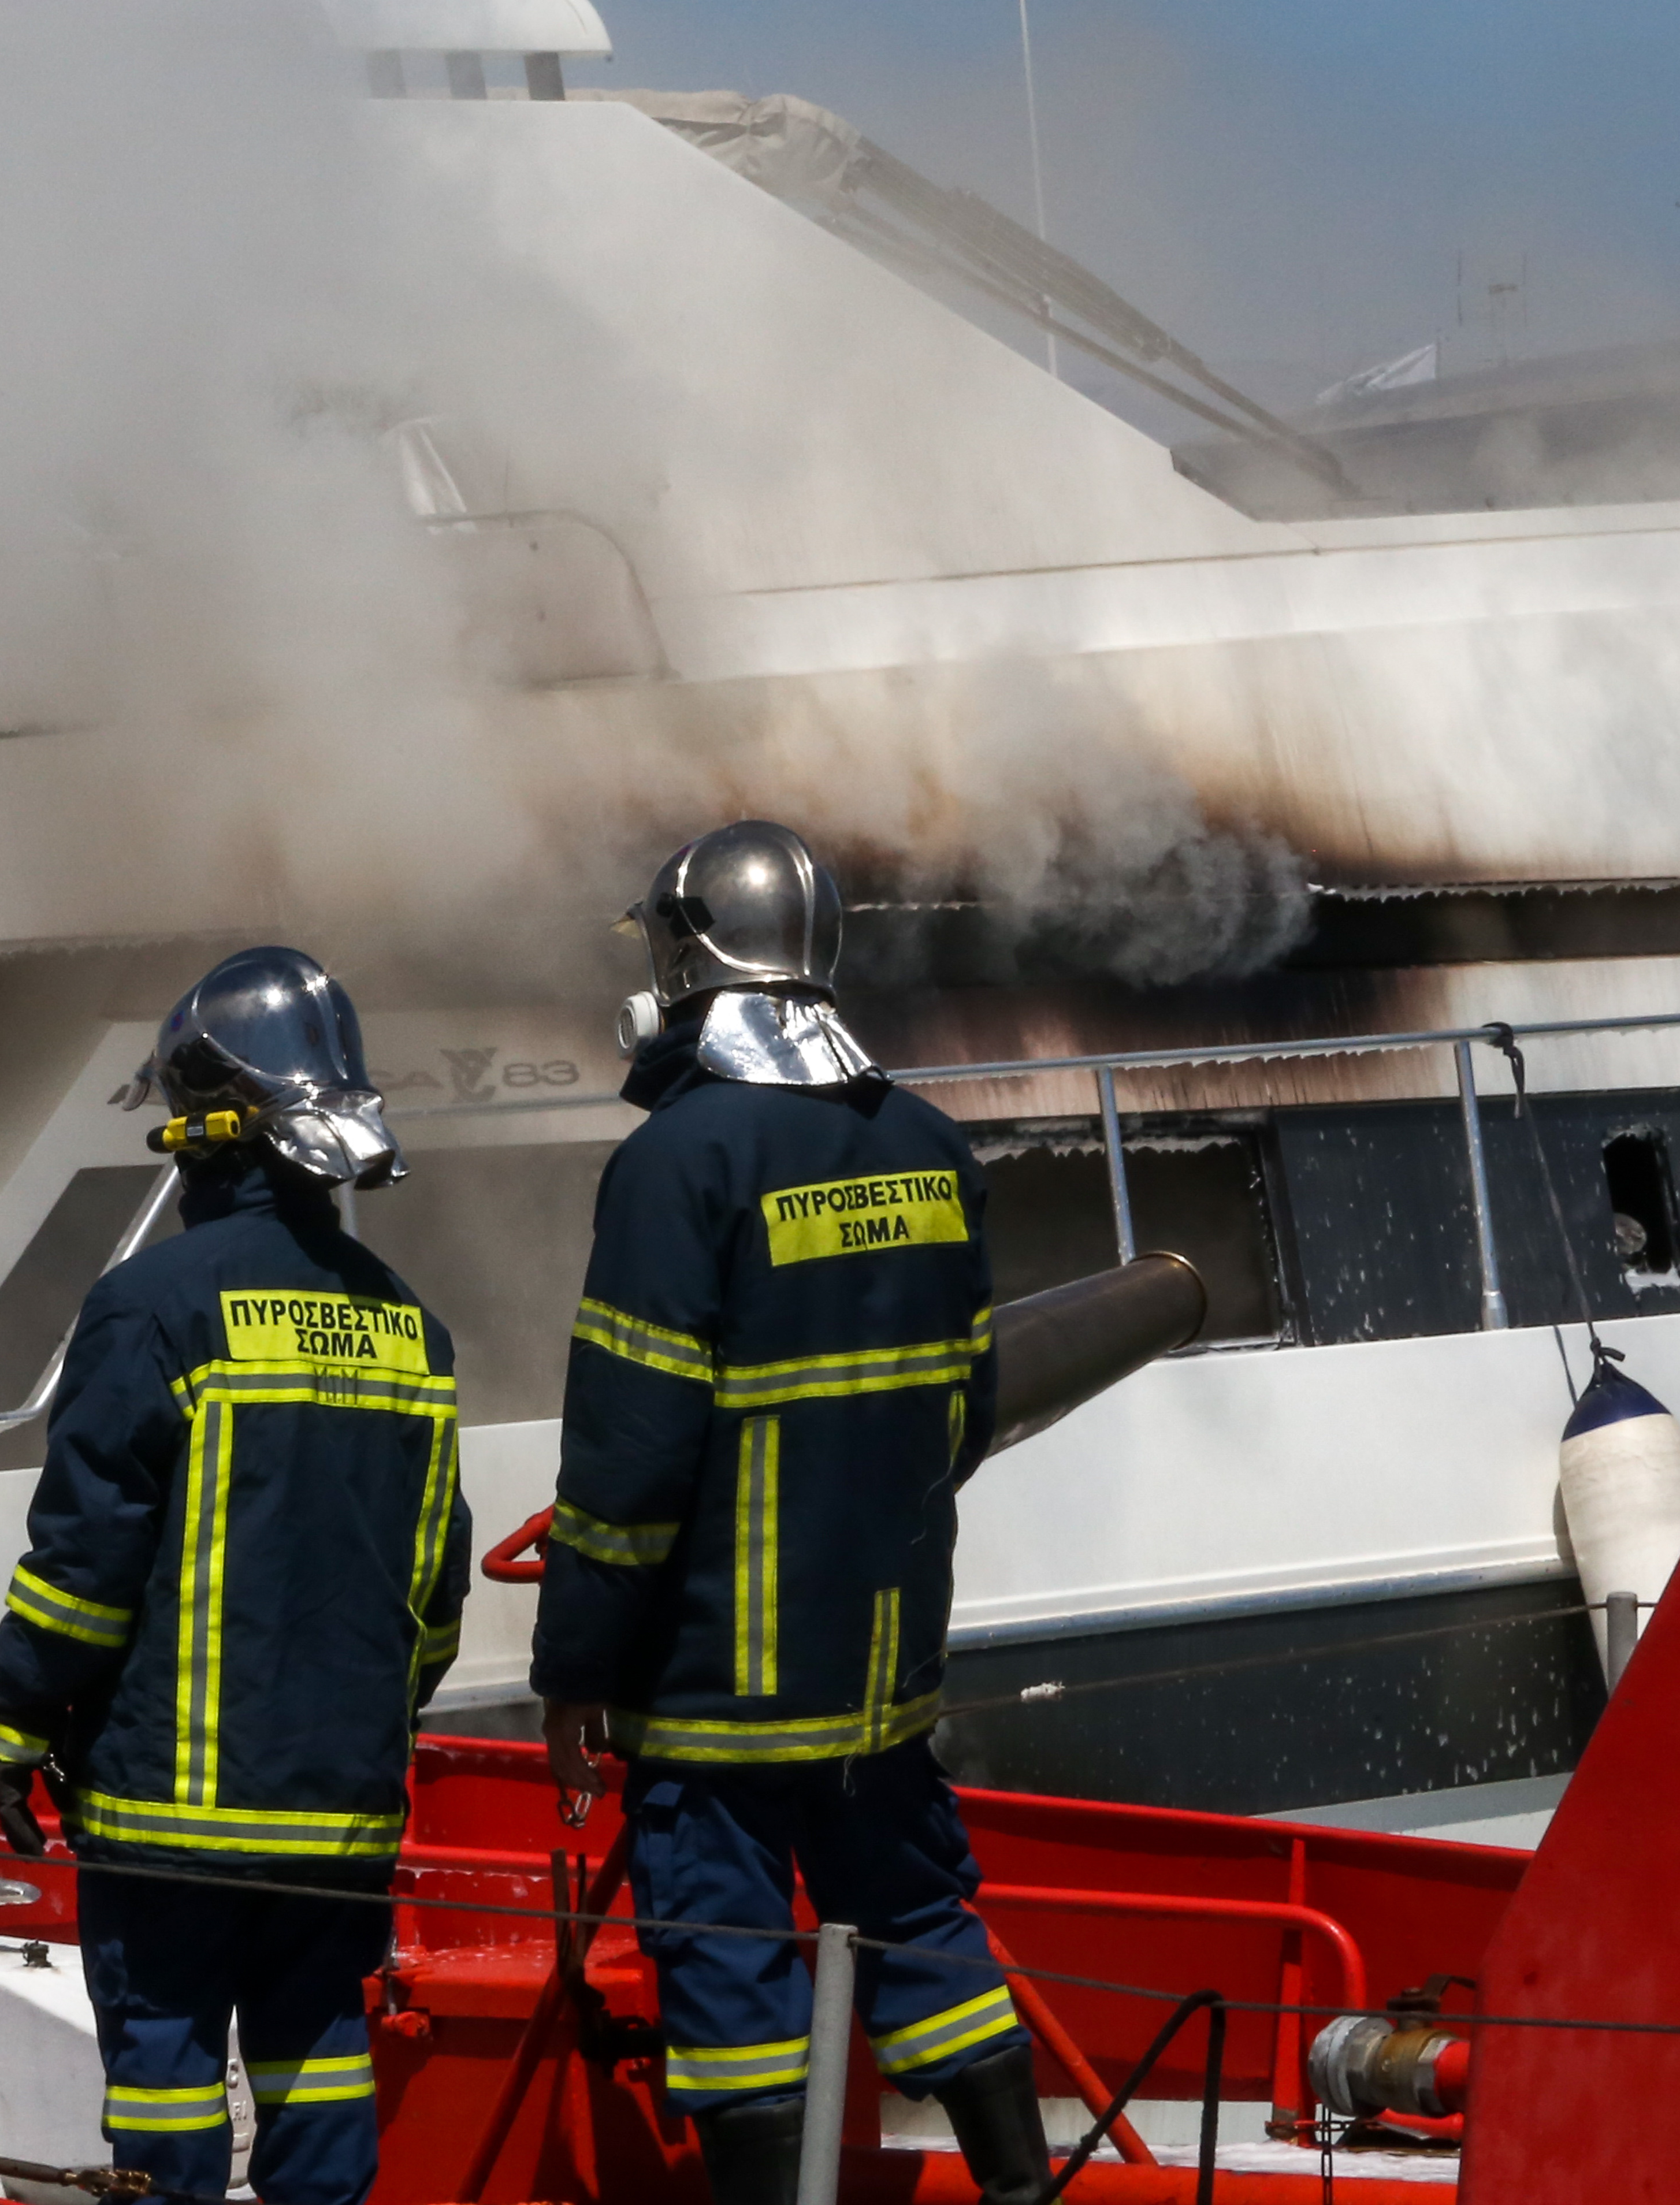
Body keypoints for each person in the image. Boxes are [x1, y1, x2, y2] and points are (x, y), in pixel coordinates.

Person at [531, 821, 1052, 2205]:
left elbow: (630, 1466)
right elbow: (965, 1409)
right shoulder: (929, 1145)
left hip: (717, 1688)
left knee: (728, 1969)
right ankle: (1020, 2189)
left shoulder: (678, 1163)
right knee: (926, 1925)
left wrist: (577, 1667)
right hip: (880, 1676)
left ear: (691, 957)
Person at [0, 946, 471, 2205]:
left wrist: (20, 1718)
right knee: (320, 2055)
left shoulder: (154, 1304)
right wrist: (369, 1724)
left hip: (173, 1820)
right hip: (343, 1806)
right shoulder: (407, 1321)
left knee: (168, 2070)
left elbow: (87, 1558)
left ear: (210, 1134)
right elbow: (436, 1588)